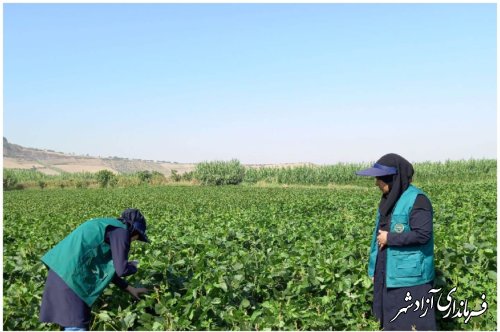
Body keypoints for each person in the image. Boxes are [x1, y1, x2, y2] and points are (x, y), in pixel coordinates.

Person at [356, 153, 436, 330]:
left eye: (379, 178)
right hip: (387, 271)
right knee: (388, 320)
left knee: (410, 323)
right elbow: (377, 236)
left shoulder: (418, 200)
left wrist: (390, 238)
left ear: (393, 178)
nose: (376, 183)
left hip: (410, 278)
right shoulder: (388, 200)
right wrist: (374, 268)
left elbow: (423, 235)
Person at [39, 208, 150, 331]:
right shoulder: (121, 231)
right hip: (72, 280)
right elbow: (121, 269)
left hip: (59, 274)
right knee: (76, 325)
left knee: (69, 323)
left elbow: (107, 270)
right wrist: (134, 266)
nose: (134, 240)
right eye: (137, 238)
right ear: (134, 232)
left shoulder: (107, 225)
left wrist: (129, 288)